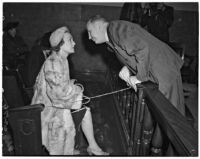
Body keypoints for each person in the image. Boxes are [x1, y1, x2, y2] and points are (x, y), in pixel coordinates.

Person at [31, 26, 108, 155]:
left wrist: (72, 88)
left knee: (85, 110)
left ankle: (91, 147)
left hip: (56, 104)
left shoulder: (61, 59)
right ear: (60, 44)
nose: (74, 43)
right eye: (70, 40)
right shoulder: (53, 62)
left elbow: (61, 86)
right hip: (46, 109)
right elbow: (56, 95)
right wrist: (77, 90)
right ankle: (65, 151)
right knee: (71, 117)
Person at [86, 15, 185, 116]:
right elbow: (131, 53)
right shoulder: (111, 38)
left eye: (90, 31)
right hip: (156, 69)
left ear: (98, 26)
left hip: (163, 67)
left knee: (172, 116)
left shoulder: (115, 28)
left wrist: (139, 78)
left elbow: (141, 49)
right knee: (163, 114)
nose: (89, 37)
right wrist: (127, 68)